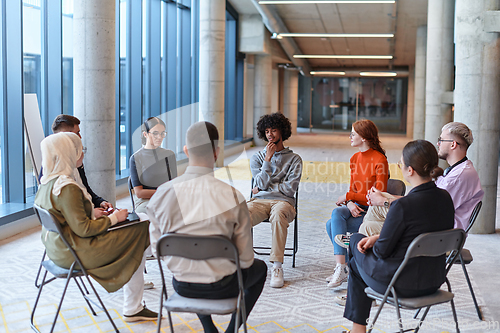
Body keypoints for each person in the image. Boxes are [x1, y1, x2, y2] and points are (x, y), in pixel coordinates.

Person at [147, 121, 267, 333]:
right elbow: (246, 259)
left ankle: (209, 329)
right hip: (223, 285)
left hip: (181, 284)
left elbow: (157, 250)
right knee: (261, 268)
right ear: (216, 153)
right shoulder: (232, 196)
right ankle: (231, 330)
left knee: (192, 261)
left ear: (186, 151)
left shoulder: (161, 195)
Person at [35, 132, 158, 322]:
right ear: (67, 152)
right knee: (140, 231)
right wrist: (115, 218)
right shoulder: (68, 187)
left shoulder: (47, 183)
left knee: (141, 226)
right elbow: (84, 230)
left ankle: (153, 254)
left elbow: (66, 216)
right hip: (77, 251)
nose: (82, 154)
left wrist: (92, 213)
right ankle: (133, 305)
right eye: (79, 150)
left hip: (58, 249)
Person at [342, 140, 455, 333]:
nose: (399, 166)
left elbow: (381, 252)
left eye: (400, 163)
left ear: (410, 170)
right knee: (359, 258)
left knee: (354, 243)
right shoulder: (445, 199)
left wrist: (376, 241)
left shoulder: (402, 206)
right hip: (434, 279)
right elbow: (421, 235)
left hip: (400, 283)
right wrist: (378, 236)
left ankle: (357, 330)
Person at [366, 122, 483, 231]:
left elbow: (423, 207)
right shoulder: (460, 169)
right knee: (378, 204)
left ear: (453, 144)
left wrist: (384, 202)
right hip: (433, 224)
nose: (438, 143)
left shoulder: (458, 177)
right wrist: (385, 198)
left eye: (441, 140)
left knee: (369, 226)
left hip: (436, 232)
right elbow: (421, 200)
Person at [325, 119, 388, 288]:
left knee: (331, 225)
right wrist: (350, 202)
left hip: (372, 213)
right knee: (337, 214)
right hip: (356, 207)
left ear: (365, 137)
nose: (350, 137)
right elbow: (353, 188)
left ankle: (344, 267)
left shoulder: (380, 160)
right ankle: (342, 267)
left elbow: (378, 196)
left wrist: (348, 196)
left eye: (353, 133)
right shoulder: (354, 158)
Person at [247, 113, 302, 288]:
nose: (270, 134)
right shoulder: (257, 158)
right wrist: (267, 160)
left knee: (279, 215)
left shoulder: (294, 159)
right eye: (267, 131)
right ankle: (241, 262)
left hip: (284, 203)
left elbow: (289, 189)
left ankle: (277, 267)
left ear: (282, 132)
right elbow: (260, 183)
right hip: (259, 201)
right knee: (240, 215)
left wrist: (264, 187)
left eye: (274, 130)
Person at [51, 115, 113, 218]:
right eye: (77, 133)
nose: (80, 137)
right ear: (65, 137)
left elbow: (86, 189)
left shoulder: (76, 161)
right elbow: (68, 213)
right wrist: (91, 213)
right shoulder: (53, 173)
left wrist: (101, 202)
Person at [130, 116, 177, 214]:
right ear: (145, 134)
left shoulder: (169, 154)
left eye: (162, 133)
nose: (159, 137)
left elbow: (174, 184)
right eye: (155, 133)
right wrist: (164, 193)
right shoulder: (136, 158)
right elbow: (139, 193)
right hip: (145, 201)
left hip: (166, 199)